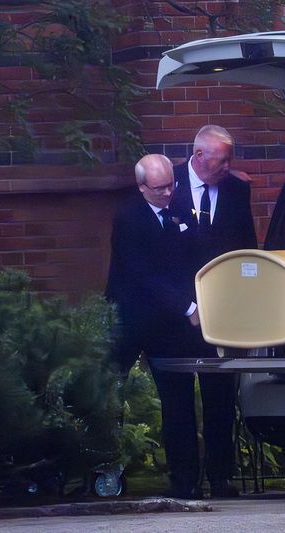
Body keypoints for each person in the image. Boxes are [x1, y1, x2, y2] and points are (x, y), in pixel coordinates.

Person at [105, 154, 210, 499]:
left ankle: (185, 479)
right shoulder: (128, 218)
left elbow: (193, 258)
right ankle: (105, 468)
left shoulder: (180, 207)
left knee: (178, 398)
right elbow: (142, 275)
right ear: (141, 186)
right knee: (109, 393)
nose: (168, 193)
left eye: (171, 185)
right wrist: (188, 307)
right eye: (159, 188)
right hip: (133, 317)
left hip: (170, 324)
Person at [164, 125, 258, 498]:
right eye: (222, 160)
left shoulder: (236, 189)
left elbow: (245, 247)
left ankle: (221, 475)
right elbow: (159, 258)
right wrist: (184, 303)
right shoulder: (167, 186)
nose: (228, 166)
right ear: (199, 156)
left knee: (221, 395)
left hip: (224, 311)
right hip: (178, 313)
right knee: (178, 399)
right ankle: (184, 478)